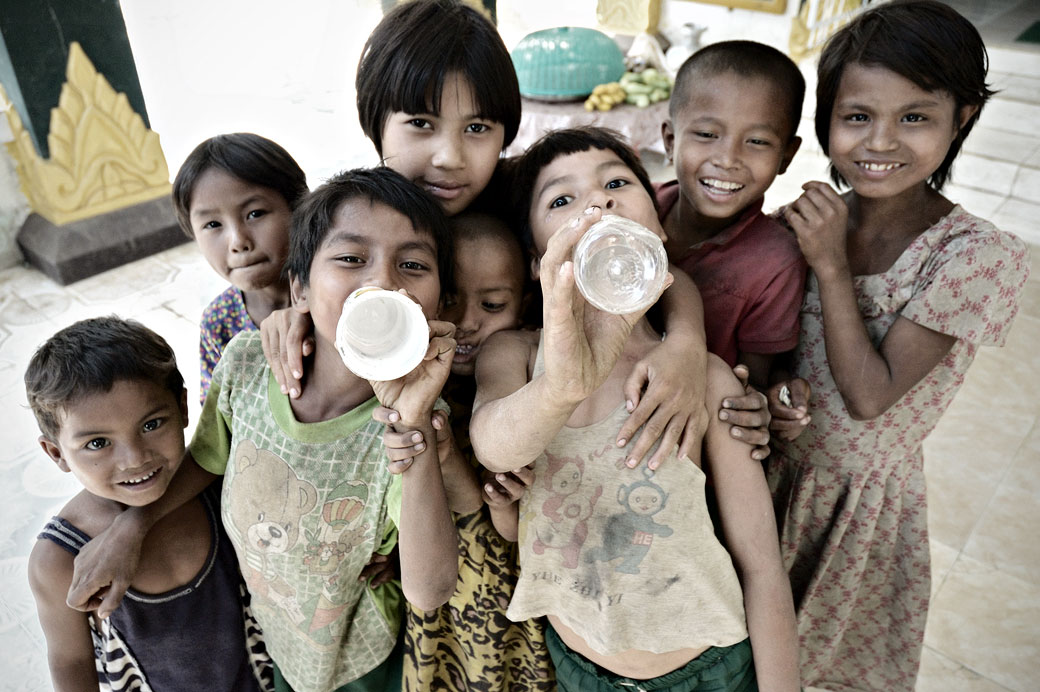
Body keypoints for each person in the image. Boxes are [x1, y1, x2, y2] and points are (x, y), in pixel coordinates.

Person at [63, 168, 466, 692]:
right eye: (350, 258)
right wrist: (131, 528)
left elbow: (430, 590)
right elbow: (210, 458)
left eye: (412, 264)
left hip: (360, 658)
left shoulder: (412, 423)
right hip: (272, 638)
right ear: (298, 287)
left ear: (436, 303)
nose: (382, 281)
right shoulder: (246, 363)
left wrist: (413, 423)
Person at [470, 127, 800, 692]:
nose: (597, 202)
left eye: (617, 183)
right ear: (536, 263)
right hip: (579, 666)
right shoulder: (517, 356)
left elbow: (763, 569)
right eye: (561, 200)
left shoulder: (705, 379)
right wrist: (562, 386)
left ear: (658, 228)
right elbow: (494, 446)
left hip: (706, 671)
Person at [765, 2, 1031, 689]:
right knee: (751, 654)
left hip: (857, 515)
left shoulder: (976, 257)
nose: (880, 142)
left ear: (962, 116)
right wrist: (774, 390)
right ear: (826, 118)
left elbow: (870, 395)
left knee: (824, 666)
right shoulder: (806, 221)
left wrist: (829, 264)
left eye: (914, 117)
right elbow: (772, 346)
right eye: (857, 116)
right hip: (766, 480)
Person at [25, 316, 270, 692]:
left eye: (152, 424)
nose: (134, 458)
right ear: (56, 453)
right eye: (97, 444)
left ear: (184, 408)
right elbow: (71, 661)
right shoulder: (58, 559)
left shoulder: (222, 487)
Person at [659, 41, 807, 393]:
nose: (727, 159)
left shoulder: (777, 263)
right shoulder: (631, 206)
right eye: (707, 135)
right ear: (669, 139)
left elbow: (750, 382)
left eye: (756, 141)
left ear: (787, 156)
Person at [171, 132, 309, 402]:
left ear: (299, 207)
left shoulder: (333, 292)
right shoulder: (219, 322)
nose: (238, 241)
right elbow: (220, 414)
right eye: (213, 225)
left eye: (255, 214)